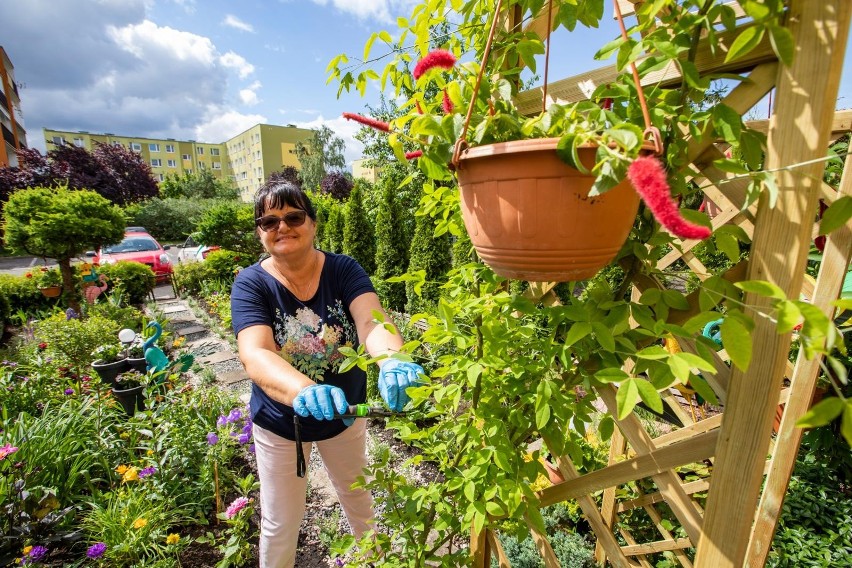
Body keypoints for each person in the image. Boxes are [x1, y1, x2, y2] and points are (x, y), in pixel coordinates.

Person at [230, 180, 424, 567]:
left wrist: (392, 359)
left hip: (345, 415)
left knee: (360, 502)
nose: (282, 227)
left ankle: (377, 562)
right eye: (269, 221)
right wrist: (303, 389)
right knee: (281, 521)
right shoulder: (251, 283)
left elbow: (371, 321)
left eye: (293, 216)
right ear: (260, 232)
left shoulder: (342, 269)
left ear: (313, 223)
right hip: (282, 423)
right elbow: (255, 353)